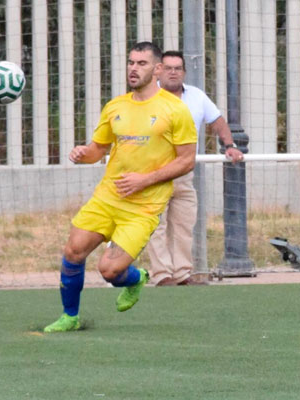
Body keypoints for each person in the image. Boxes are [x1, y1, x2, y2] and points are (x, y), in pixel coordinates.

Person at [43, 42, 198, 333]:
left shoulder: (175, 110)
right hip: (108, 198)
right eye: (130, 62)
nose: (134, 68)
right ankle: (70, 316)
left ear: (158, 69)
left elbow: (187, 161)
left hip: (144, 207)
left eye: (141, 63)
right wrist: (82, 155)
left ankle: (136, 278)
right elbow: (98, 149)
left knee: (110, 271)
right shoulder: (115, 106)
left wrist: (145, 180)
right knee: (73, 251)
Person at [146, 50, 245, 286]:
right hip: (154, 173)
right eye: (168, 67)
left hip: (183, 174)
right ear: (159, 70)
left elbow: (217, 120)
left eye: (177, 68)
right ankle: (162, 275)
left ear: (184, 72)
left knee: (183, 224)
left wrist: (229, 145)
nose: (172, 72)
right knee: (155, 226)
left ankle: (181, 274)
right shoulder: (146, 97)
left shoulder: (197, 96)